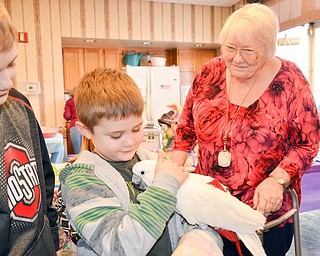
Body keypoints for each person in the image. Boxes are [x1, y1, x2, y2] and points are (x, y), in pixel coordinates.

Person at [171, 3, 320, 256]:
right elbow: (185, 129)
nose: (236, 58)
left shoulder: (290, 80)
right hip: (209, 206)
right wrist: (171, 174)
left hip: (263, 214)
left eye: (248, 51)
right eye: (230, 48)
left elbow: (307, 143)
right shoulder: (209, 73)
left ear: (268, 49)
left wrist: (277, 180)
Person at [59, 68, 223, 255]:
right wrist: (165, 186)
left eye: (136, 129)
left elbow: (192, 220)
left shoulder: (153, 161)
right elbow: (119, 248)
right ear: (86, 130)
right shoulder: (82, 180)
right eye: (116, 135)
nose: (130, 141)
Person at [0, 4, 59, 255]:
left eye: (11, 64)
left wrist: (53, 236)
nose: (6, 82)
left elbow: (44, 176)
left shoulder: (20, 105)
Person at [64, 86, 82, 154]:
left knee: (77, 151)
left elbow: (67, 116)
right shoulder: (86, 100)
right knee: (88, 150)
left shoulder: (69, 101)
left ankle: (78, 164)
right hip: (87, 125)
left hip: (75, 126)